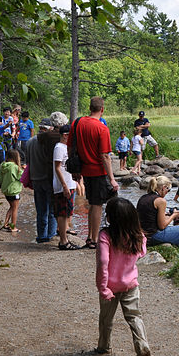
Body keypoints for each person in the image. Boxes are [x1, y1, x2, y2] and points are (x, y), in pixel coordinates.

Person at [95, 197, 151, 356]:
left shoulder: (106, 235)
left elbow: (103, 262)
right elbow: (142, 253)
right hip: (131, 284)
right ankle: (142, 347)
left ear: (110, 217)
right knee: (134, 316)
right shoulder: (138, 235)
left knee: (106, 318)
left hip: (110, 286)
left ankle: (104, 347)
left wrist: (102, 287)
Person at [70, 96, 118, 249]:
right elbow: (105, 156)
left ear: (90, 108)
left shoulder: (77, 123)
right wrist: (112, 179)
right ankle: (94, 239)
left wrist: (75, 170)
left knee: (91, 203)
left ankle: (90, 237)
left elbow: (71, 147)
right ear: (102, 110)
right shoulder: (102, 128)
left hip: (84, 171)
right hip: (97, 171)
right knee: (97, 205)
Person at [26, 117, 61, 242]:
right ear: (49, 128)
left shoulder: (30, 141)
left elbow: (28, 161)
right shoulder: (48, 142)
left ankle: (41, 236)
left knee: (40, 210)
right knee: (51, 210)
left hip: (35, 178)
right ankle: (50, 235)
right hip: (47, 178)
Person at [53, 124, 81, 250]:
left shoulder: (66, 147)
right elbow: (57, 167)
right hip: (62, 185)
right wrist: (64, 186)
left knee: (67, 212)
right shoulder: (59, 147)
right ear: (65, 135)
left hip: (69, 183)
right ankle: (63, 241)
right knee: (62, 212)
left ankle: (64, 239)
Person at [0, 149, 23, 233]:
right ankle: (13, 227)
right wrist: (24, 170)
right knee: (15, 208)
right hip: (14, 191)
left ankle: (6, 224)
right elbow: (21, 177)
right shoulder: (15, 167)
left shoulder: (2, 165)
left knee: (12, 207)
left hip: (6, 191)